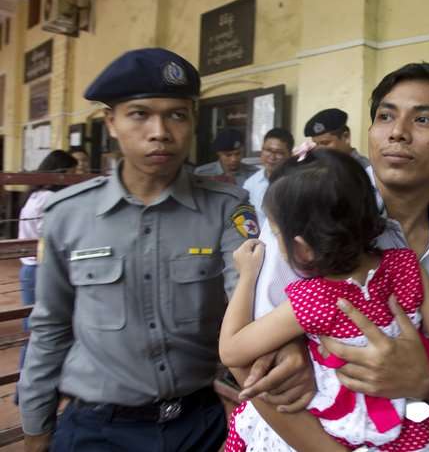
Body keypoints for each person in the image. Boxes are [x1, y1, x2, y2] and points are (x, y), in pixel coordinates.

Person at [226, 62, 429, 451]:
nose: (397, 132)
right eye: (385, 116)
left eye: (423, 119)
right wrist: (299, 346)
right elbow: (249, 365)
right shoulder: (308, 208)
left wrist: (428, 383)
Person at [18, 48, 260, 452]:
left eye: (177, 115)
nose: (160, 131)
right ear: (111, 122)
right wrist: (36, 428)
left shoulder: (227, 208)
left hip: (197, 426)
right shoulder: (68, 214)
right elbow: (50, 328)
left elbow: (249, 302)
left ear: (193, 121)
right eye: (139, 114)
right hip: (97, 430)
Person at [222, 149, 429, 451]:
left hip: (339, 432)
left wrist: (247, 275)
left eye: (276, 233)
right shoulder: (406, 264)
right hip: (411, 432)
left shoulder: (314, 299)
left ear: (302, 248)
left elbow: (232, 351)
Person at [16, 150, 78, 377]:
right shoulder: (51, 199)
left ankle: (25, 387)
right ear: (60, 173)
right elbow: (56, 236)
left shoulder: (34, 195)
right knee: (45, 331)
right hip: (42, 269)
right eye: (71, 174)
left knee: (34, 330)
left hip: (28, 268)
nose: (74, 179)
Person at [242, 127, 294, 227]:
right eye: (268, 150)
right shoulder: (251, 183)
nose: (272, 157)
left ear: (290, 155)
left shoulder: (298, 183)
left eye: (279, 153)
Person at [304, 108, 370, 169]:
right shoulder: (320, 167)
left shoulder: (365, 169)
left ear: (346, 137)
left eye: (325, 143)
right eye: (316, 144)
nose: (319, 149)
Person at [195, 128, 259, 186]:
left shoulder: (254, 174)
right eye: (228, 155)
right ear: (218, 153)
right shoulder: (203, 174)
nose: (234, 159)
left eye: (238, 154)